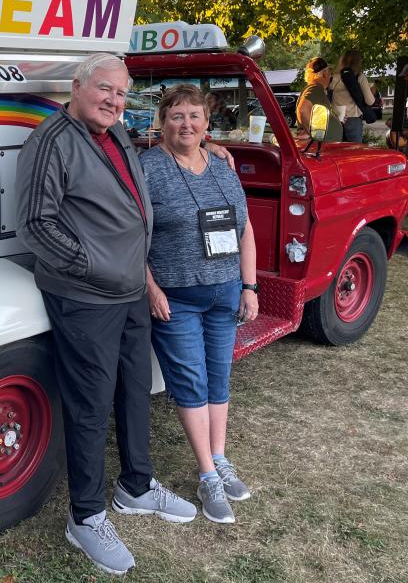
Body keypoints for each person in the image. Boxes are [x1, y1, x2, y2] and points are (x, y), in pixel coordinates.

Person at [14, 53, 200, 576]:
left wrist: (213, 152)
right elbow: (34, 222)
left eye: (121, 93)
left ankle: (136, 486)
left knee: (135, 389)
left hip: (128, 289)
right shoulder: (53, 141)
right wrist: (95, 265)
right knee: (91, 405)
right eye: (105, 89)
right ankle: (86, 516)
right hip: (87, 295)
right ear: (77, 87)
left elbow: (131, 192)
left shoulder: (115, 134)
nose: (114, 101)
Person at [142, 84, 258, 525]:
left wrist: (250, 287)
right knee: (191, 382)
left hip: (225, 290)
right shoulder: (147, 168)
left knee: (219, 375)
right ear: (161, 123)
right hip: (177, 298)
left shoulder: (223, 166)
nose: (186, 123)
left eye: (194, 115)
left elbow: (244, 229)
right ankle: (208, 474)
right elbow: (133, 237)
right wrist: (151, 288)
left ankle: (221, 456)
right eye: (176, 116)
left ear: (207, 123)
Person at [329, 50, 375, 142]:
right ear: (358, 62)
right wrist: (373, 90)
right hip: (353, 118)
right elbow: (370, 101)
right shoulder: (360, 77)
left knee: (338, 150)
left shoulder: (333, 77)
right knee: (354, 151)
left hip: (338, 118)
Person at [295, 57, 343, 142]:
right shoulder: (316, 88)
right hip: (320, 147)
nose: (330, 75)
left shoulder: (313, 89)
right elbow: (303, 110)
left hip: (323, 146)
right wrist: (312, 134)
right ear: (324, 73)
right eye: (329, 72)